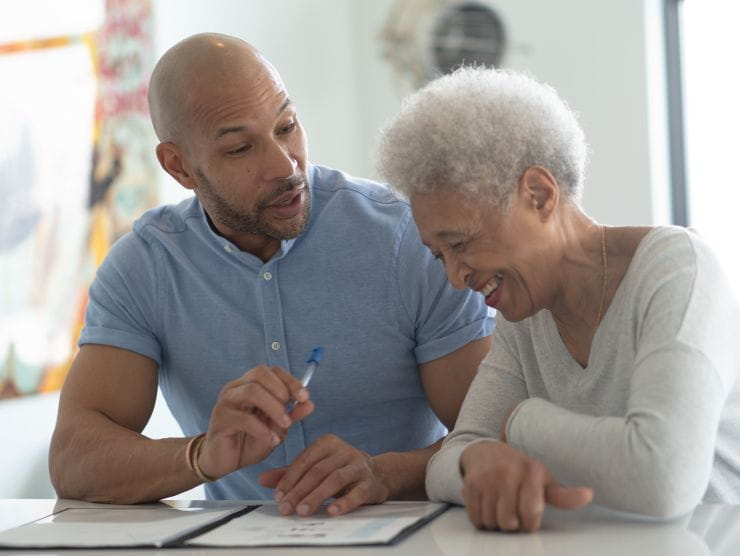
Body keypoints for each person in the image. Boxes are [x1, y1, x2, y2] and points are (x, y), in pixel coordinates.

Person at [48, 33, 492, 515]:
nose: (284, 165)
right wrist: (199, 456)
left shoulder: (408, 240)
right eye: (240, 148)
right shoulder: (147, 267)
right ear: (180, 167)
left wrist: (383, 474)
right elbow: (74, 460)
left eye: (286, 126)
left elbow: (491, 436)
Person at [377, 67, 740, 532]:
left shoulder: (679, 270)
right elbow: (451, 458)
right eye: (439, 255)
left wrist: (520, 423)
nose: (454, 278)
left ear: (539, 194)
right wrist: (479, 459)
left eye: (461, 243)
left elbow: (663, 477)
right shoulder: (523, 312)